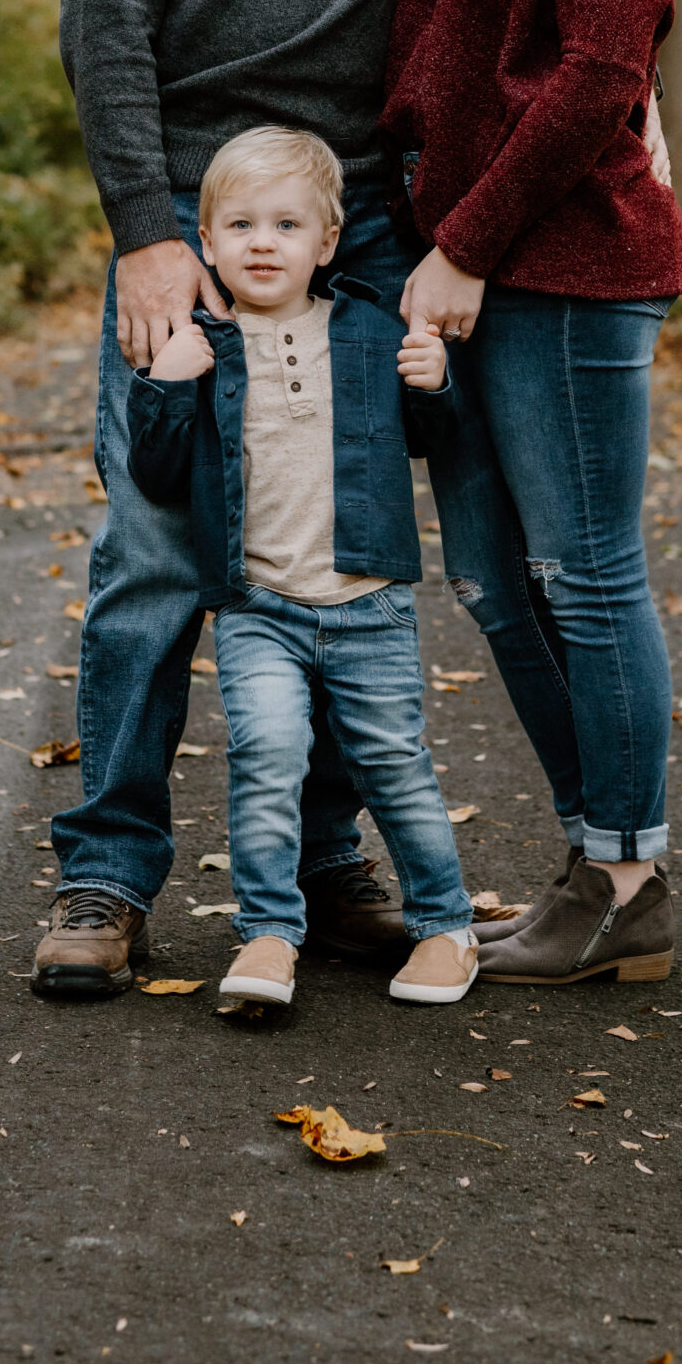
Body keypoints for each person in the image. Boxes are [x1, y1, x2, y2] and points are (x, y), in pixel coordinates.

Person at [39, 0, 441, 996]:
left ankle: (322, 866)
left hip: (366, 231)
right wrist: (149, 233)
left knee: (333, 558)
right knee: (155, 548)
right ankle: (105, 872)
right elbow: (107, 17)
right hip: (199, 220)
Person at [380, 0, 682, 986]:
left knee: (582, 572)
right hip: (466, 264)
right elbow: (441, 80)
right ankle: (599, 855)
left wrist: (462, 248)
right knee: (494, 584)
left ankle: (626, 868)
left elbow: (596, 79)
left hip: (565, 268)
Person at [126, 125, 478, 1008]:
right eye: (238, 225)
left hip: (369, 601)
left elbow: (437, 443)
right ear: (206, 242)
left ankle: (444, 926)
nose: (261, 242)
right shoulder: (203, 347)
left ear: (326, 242)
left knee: (393, 762)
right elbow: (155, 477)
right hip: (258, 607)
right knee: (267, 755)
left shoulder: (368, 327)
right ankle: (268, 935)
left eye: (286, 225)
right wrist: (167, 383)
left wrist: (434, 381)